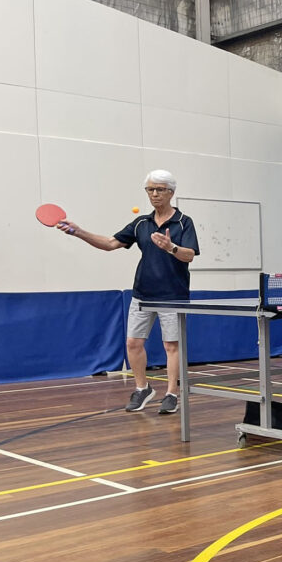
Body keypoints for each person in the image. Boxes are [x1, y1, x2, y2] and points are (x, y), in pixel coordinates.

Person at [55, 170, 200, 414]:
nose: (154, 194)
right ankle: (142, 388)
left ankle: (172, 393)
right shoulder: (141, 223)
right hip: (142, 293)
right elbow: (110, 243)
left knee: (171, 346)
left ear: (171, 192)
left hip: (173, 295)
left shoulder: (184, 222)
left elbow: (190, 255)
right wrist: (78, 231)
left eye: (160, 189)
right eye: (150, 189)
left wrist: (171, 247)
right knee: (133, 343)